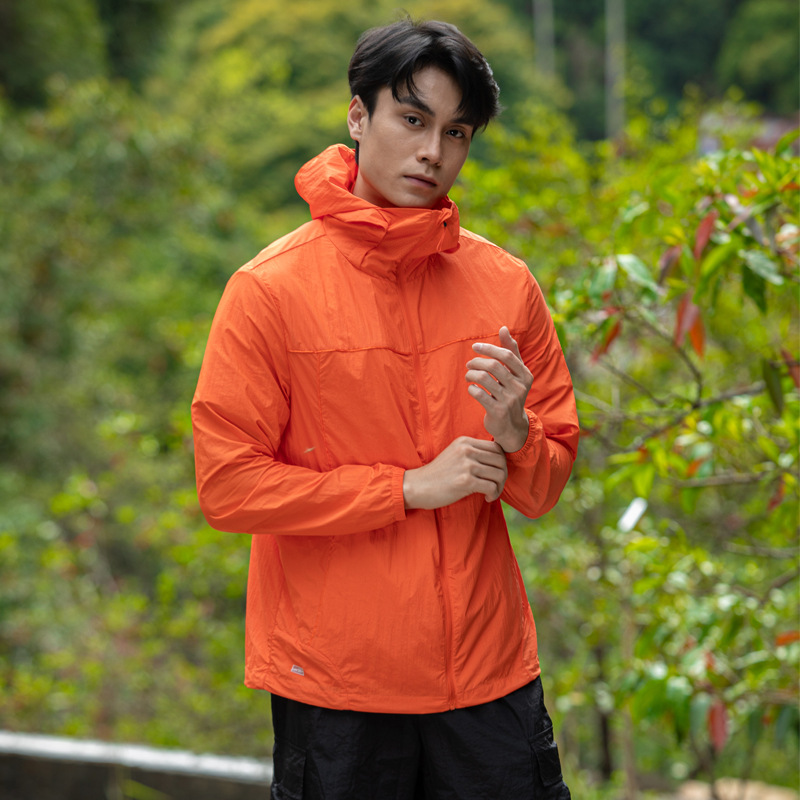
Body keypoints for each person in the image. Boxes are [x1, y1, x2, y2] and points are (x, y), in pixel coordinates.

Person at [191, 17, 579, 800]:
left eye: (456, 132)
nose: (433, 151)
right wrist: (406, 488)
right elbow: (228, 488)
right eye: (412, 119)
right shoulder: (269, 291)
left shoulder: (507, 286)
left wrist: (518, 435)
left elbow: (543, 489)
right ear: (358, 117)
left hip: (488, 679)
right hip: (338, 689)